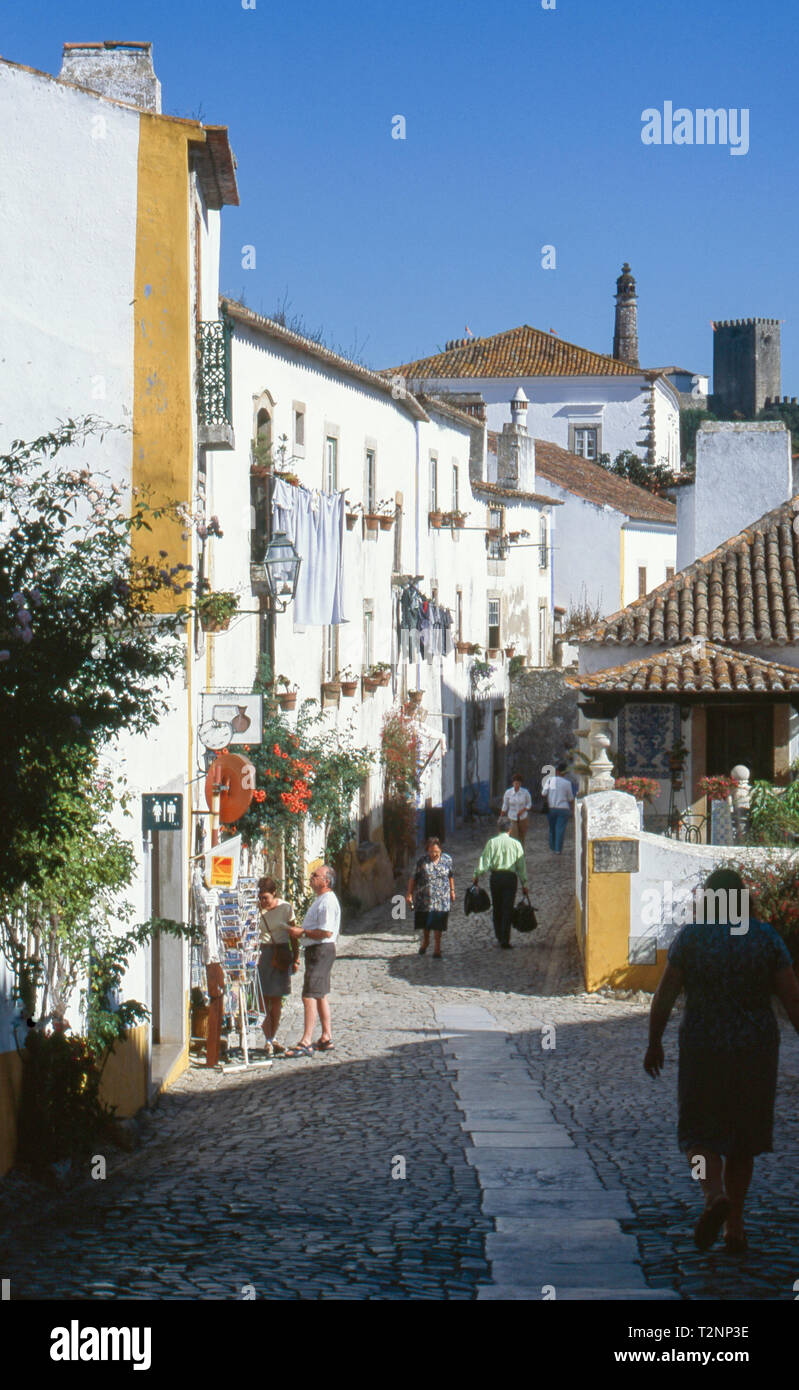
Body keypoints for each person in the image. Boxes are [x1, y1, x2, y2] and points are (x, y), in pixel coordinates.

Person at [644, 868, 799, 1253]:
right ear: (743, 898)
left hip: (703, 1048)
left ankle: (713, 1194)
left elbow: (665, 994)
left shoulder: (692, 939)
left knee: (698, 1134)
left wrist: (654, 1041)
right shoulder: (766, 938)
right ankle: (736, 1225)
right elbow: (792, 997)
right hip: (755, 1051)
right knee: (743, 1138)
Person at [284, 864, 341, 1057]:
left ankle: (306, 1041)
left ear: (326, 881)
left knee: (309, 994)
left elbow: (325, 931)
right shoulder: (323, 899)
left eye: (315, 875)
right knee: (320, 994)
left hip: (320, 950)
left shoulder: (327, 902)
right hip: (319, 950)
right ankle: (326, 1036)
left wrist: (302, 932)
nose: (311, 877)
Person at [256, 876, 298, 1056]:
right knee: (263, 999)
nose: (263, 901)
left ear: (274, 894)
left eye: (266, 897)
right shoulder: (257, 910)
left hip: (280, 954)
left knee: (277, 1000)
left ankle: (272, 1037)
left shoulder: (285, 908)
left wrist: (296, 957)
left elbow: (293, 934)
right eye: (260, 898)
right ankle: (268, 1039)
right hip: (263, 954)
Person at [473, 817, 530, 949]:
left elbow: (484, 862)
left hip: (496, 878)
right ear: (510, 829)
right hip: (510, 878)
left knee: (497, 907)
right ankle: (505, 938)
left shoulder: (492, 843)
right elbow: (521, 866)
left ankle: (499, 935)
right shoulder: (516, 844)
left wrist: (477, 875)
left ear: (498, 829)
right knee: (508, 908)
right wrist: (525, 884)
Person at [406, 836, 455, 959]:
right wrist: (409, 894)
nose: (434, 854)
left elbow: (450, 875)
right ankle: (426, 940)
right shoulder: (422, 861)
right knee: (426, 923)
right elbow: (413, 878)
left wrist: (452, 891)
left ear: (441, 850)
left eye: (436, 852)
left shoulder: (447, 860)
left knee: (438, 922)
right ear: (427, 850)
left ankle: (437, 948)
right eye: (431, 851)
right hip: (424, 898)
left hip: (441, 898)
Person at [542, 761, 574, 853]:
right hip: (563, 808)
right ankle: (558, 849)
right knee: (560, 829)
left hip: (551, 808)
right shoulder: (567, 783)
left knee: (552, 829)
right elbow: (570, 798)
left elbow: (543, 793)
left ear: (557, 771)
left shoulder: (550, 780)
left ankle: (552, 847)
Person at [501, 773, 532, 847]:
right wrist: (502, 815)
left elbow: (529, 804)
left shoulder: (525, 792)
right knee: (514, 837)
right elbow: (505, 804)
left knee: (522, 837)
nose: (517, 785)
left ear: (521, 784)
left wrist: (523, 810)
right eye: (515, 783)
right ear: (513, 783)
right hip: (512, 817)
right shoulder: (508, 792)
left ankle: (521, 854)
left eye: (518, 783)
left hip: (523, 817)